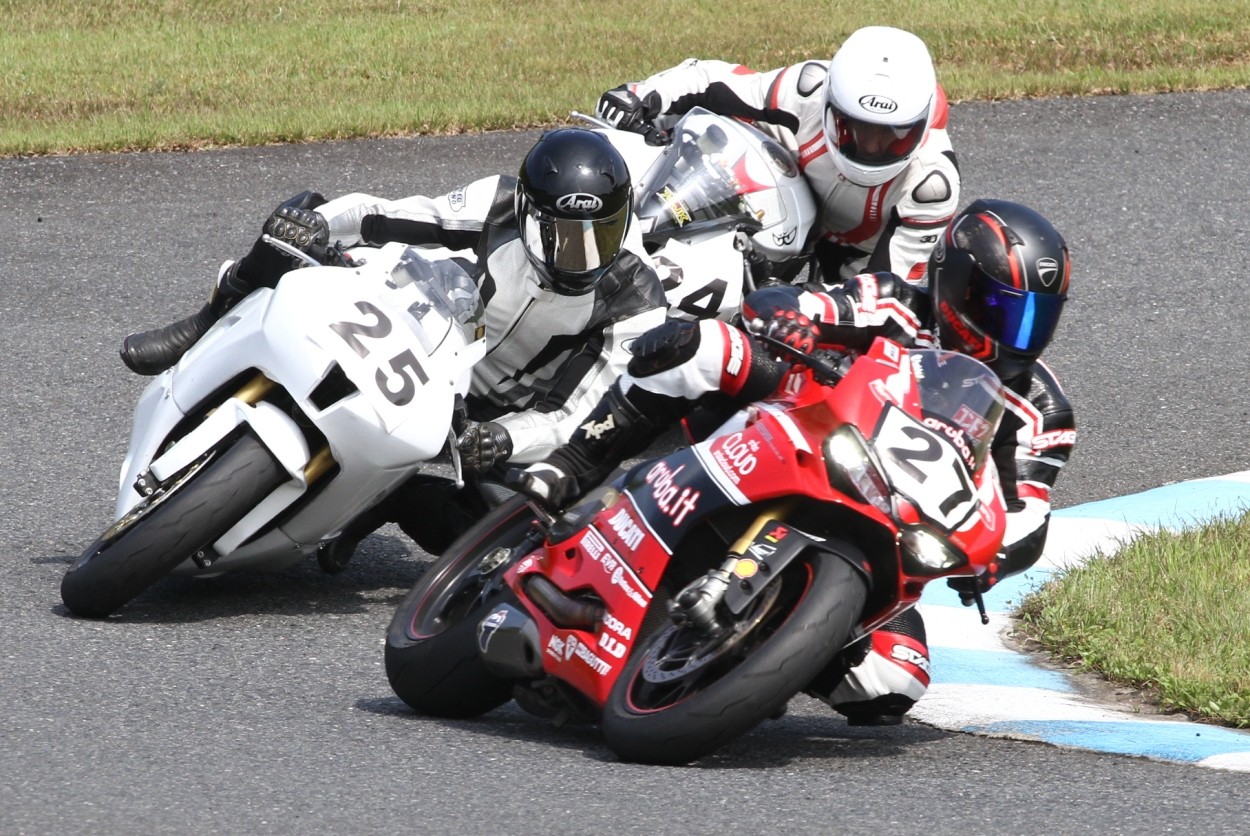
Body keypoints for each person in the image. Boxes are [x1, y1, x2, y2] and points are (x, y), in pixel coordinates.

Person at [507, 198, 1076, 726]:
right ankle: (574, 464)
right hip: (795, 428)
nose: (1017, 333)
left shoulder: (1041, 410)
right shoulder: (896, 302)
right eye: (1002, 308)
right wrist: (788, 319)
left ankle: (745, 661)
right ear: (954, 281)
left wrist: (997, 555)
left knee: (892, 677)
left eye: (1036, 318)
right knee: (706, 348)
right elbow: (798, 302)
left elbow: (1027, 511)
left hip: (891, 524)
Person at [120, 128, 669, 556]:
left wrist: (503, 438)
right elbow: (383, 215)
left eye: (599, 235)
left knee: (518, 541)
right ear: (528, 212)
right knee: (294, 224)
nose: (582, 256)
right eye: (562, 236)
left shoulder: (638, 301)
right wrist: (317, 225)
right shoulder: (498, 204)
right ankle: (206, 319)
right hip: (423, 330)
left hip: (488, 419)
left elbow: (573, 416)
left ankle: (396, 499)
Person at [594, 25, 960, 286]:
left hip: (855, 258)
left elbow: (887, 291)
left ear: (922, 122)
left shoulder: (931, 186)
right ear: (830, 104)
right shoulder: (807, 90)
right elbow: (711, 81)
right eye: (856, 129)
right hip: (767, 204)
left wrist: (813, 308)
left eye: (892, 135)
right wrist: (641, 95)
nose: (873, 146)